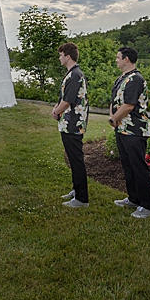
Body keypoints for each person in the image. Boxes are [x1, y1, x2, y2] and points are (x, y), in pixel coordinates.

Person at [108, 47, 150, 218]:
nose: (116, 60)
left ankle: (148, 205)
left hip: (134, 129)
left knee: (138, 166)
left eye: (118, 57)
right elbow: (114, 100)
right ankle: (133, 198)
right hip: (122, 129)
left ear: (126, 59)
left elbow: (128, 105)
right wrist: (112, 117)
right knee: (127, 165)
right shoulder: (122, 78)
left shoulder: (135, 79)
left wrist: (113, 119)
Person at [53, 42, 89, 207]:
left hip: (73, 124)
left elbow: (67, 101)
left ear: (68, 56)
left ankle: (81, 198)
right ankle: (76, 189)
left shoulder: (75, 75)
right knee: (73, 158)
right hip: (68, 122)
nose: (59, 58)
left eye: (61, 55)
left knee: (76, 159)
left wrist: (56, 111)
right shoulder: (71, 74)